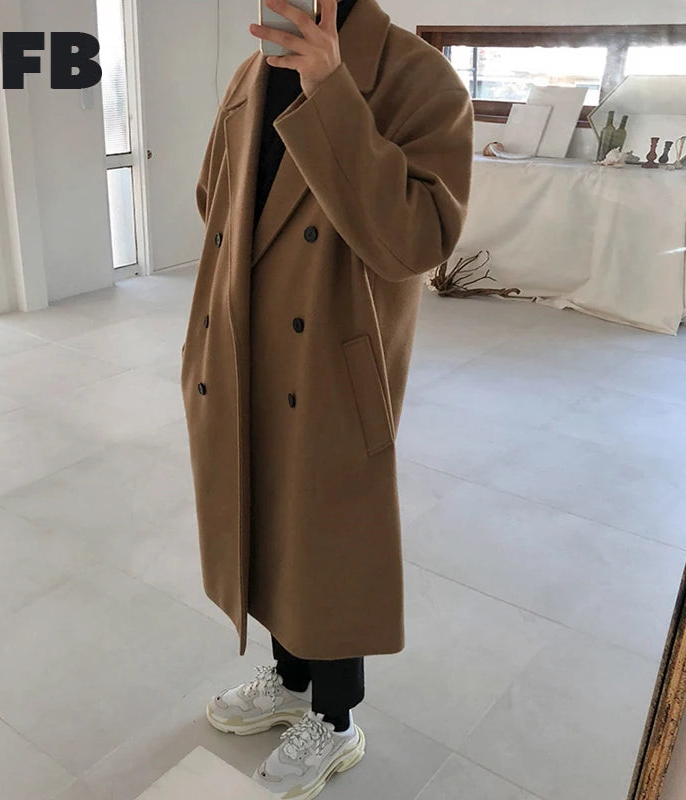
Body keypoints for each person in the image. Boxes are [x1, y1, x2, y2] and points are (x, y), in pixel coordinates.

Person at [181, 0, 474, 796]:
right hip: (246, 337)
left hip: (334, 356)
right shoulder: (251, 73)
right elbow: (215, 199)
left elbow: (416, 241)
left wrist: (332, 92)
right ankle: (290, 678)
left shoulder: (420, 80)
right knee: (269, 513)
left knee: (329, 531)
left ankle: (336, 718)